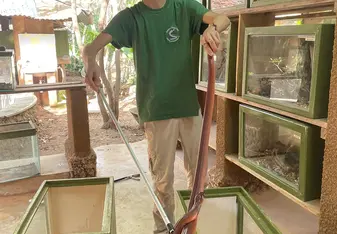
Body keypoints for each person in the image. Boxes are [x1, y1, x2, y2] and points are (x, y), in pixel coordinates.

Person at [82, 0, 230, 233]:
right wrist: (90, 60)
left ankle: (194, 226)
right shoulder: (131, 18)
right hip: (157, 112)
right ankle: (163, 229)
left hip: (189, 108)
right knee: (162, 182)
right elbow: (91, 47)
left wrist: (213, 28)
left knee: (199, 177)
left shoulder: (184, 8)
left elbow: (222, 19)